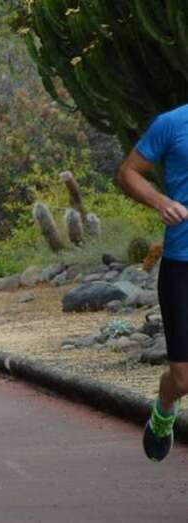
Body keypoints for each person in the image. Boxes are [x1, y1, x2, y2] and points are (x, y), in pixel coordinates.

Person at [116, 104, 188, 461]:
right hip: (182, 264)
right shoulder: (172, 124)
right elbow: (128, 173)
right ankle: (163, 411)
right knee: (183, 379)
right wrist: (161, 202)